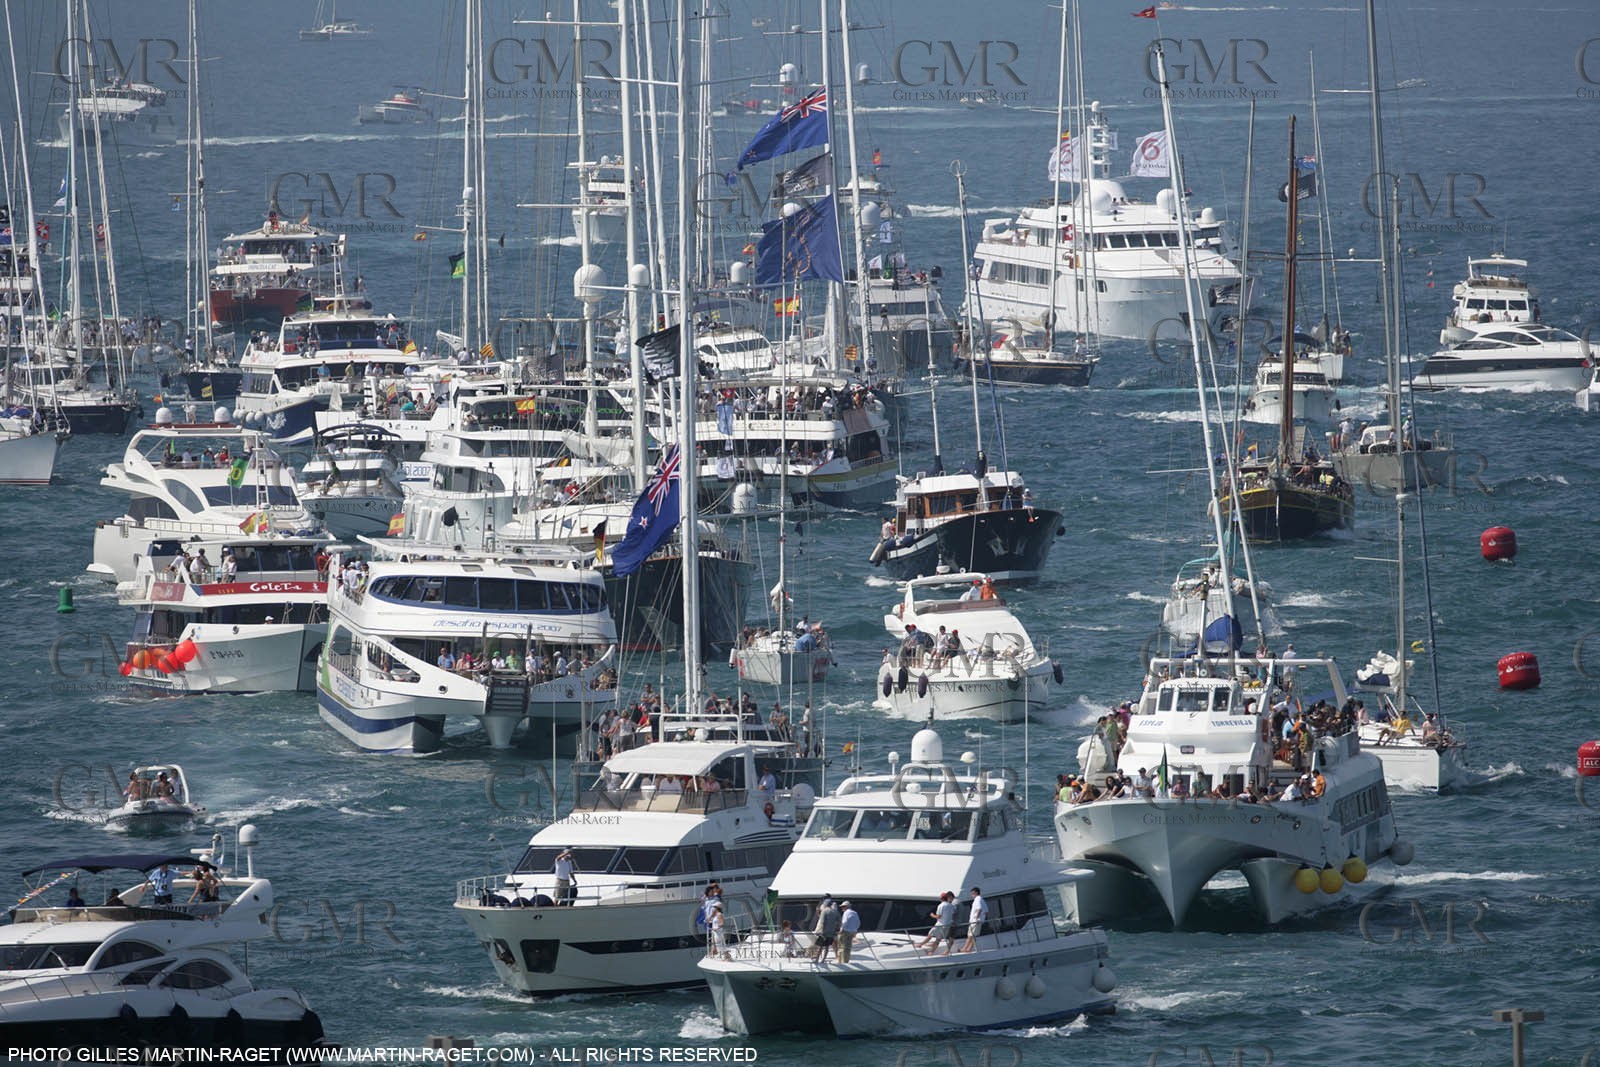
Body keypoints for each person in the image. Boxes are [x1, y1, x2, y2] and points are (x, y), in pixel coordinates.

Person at [959, 887, 988, 952]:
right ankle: (969, 949)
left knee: (970, 935)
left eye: (972, 893)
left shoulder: (977, 899)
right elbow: (986, 911)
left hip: (975, 921)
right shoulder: (981, 899)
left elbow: (979, 909)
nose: (972, 895)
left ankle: (964, 948)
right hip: (978, 921)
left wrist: (976, 918)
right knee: (973, 936)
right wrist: (982, 918)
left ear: (975, 893)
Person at [812, 896, 840, 961]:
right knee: (827, 947)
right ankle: (823, 960)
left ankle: (817, 960)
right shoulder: (836, 912)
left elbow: (822, 922)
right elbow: (839, 922)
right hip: (831, 933)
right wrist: (836, 930)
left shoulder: (824, 911)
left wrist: (821, 932)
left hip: (824, 933)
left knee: (820, 947)